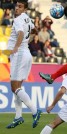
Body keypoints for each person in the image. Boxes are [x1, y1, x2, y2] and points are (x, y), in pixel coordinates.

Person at [6, 0, 42, 129]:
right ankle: (18, 117)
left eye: (20, 6)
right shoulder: (27, 18)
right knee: (18, 88)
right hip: (26, 53)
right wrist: (26, 42)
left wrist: (16, 47)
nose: (17, 8)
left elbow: (21, 33)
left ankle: (34, 110)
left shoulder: (18, 20)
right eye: (16, 6)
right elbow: (34, 30)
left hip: (19, 54)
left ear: (25, 9)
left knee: (14, 87)